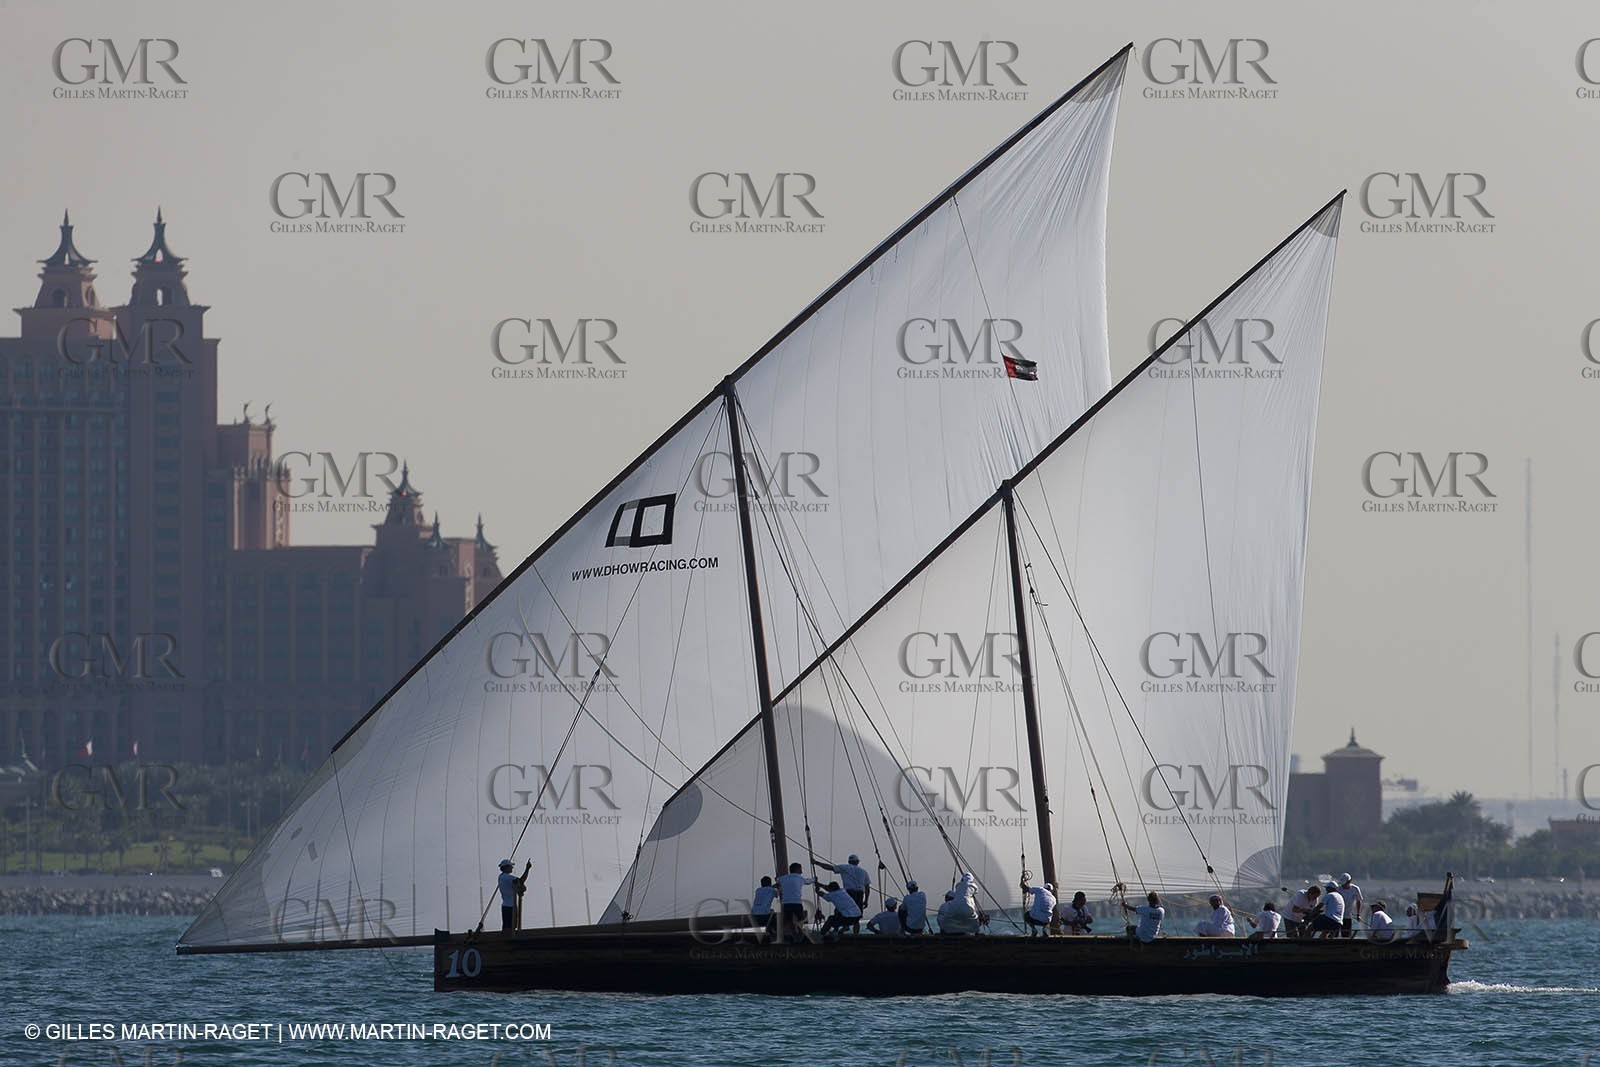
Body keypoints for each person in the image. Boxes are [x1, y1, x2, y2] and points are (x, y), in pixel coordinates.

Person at [775, 862, 815, 943]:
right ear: (797, 869)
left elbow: (777, 880)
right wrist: (814, 879)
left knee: (789, 921)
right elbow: (808, 881)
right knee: (801, 920)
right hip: (796, 902)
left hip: (786, 903)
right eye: (800, 869)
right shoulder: (799, 878)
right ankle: (801, 936)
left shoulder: (783, 878)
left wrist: (777, 879)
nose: (801, 871)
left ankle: (793, 936)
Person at [496, 858, 530, 932]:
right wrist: (527, 869)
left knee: (508, 926)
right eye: (511, 866)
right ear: (506, 867)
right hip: (510, 906)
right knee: (510, 927)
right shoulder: (507, 877)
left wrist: (521, 887)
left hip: (506, 905)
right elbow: (521, 881)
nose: (512, 867)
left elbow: (518, 885)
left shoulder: (501, 877)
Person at [1337, 873, 1364, 938]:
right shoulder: (1338, 889)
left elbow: (1358, 901)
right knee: (1334, 934)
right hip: (1337, 915)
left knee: (1346, 935)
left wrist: (1358, 914)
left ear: (1349, 881)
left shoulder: (1355, 889)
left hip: (1348, 916)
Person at [751, 875, 778, 941]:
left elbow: (767, 889)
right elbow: (778, 895)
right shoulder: (772, 890)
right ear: (770, 883)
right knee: (776, 916)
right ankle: (773, 932)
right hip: (764, 916)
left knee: (771, 911)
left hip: (754, 915)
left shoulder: (758, 890)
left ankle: (770, 932)